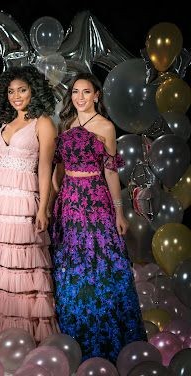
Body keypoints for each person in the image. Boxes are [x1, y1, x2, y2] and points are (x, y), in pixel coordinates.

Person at [50, 72, 146, 362]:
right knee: (73, 268)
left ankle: (107, 340)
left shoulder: (105, 127)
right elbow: (59, 169)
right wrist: (57, 194)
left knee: (100, 265)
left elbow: (111, 172)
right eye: (75, 92)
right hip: (69, 204)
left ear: (96, 95)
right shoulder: (66, 125)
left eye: (86, 92)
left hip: (95, 203)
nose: (79, 97)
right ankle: (77, 335)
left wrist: (119, 211)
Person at [0, 65, 59, 350]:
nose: (16, 96)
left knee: (23, 266)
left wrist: (43, 208)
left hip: (23, 200)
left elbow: (45, 169)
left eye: (22, 90)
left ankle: (26, 341)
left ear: (34, 90)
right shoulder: (7, 122)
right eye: (11, 91)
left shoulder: (43, 123)